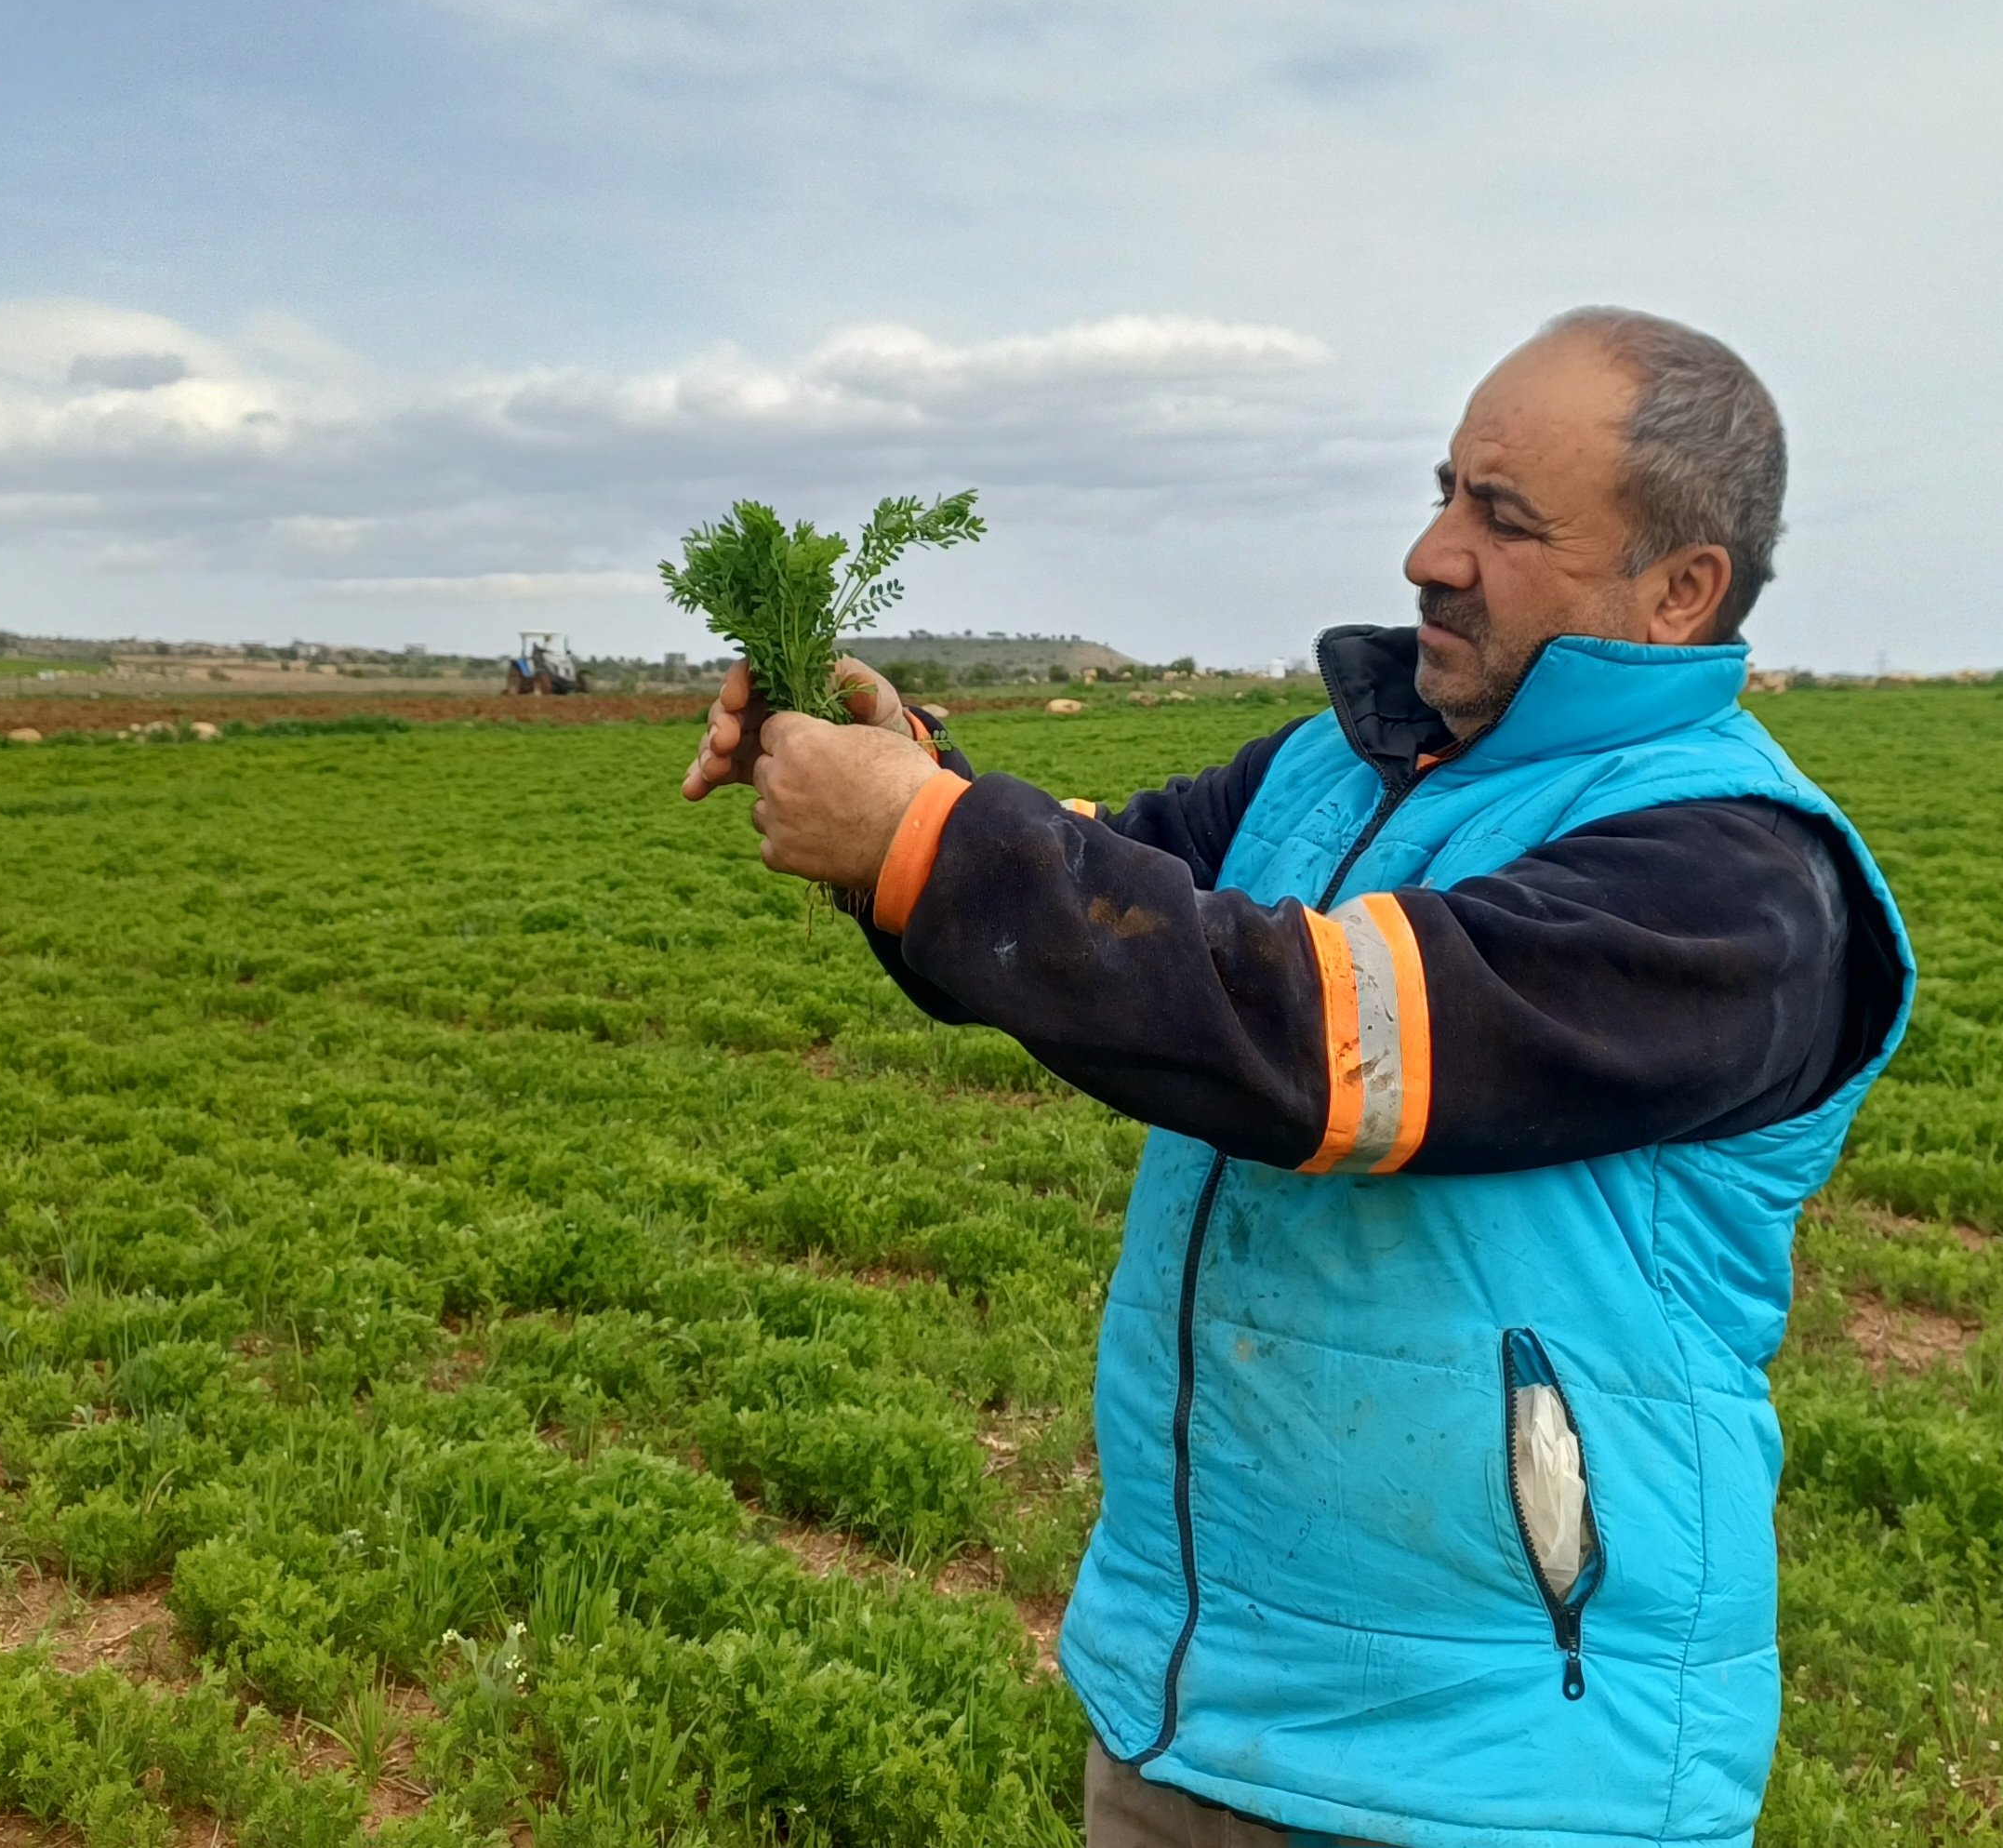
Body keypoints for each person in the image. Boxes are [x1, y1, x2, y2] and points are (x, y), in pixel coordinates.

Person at [683, 308, 1914, 1848]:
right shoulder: (1327, 766)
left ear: (1677, 592)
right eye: (1444, 489)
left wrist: (923, 840)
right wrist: (900, 787)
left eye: (1502, 518)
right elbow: (1102, 913)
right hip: (1196, 1704)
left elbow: (1316, 1037)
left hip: (1501, 1768)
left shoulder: (1731, 874)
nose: (1429, 552)